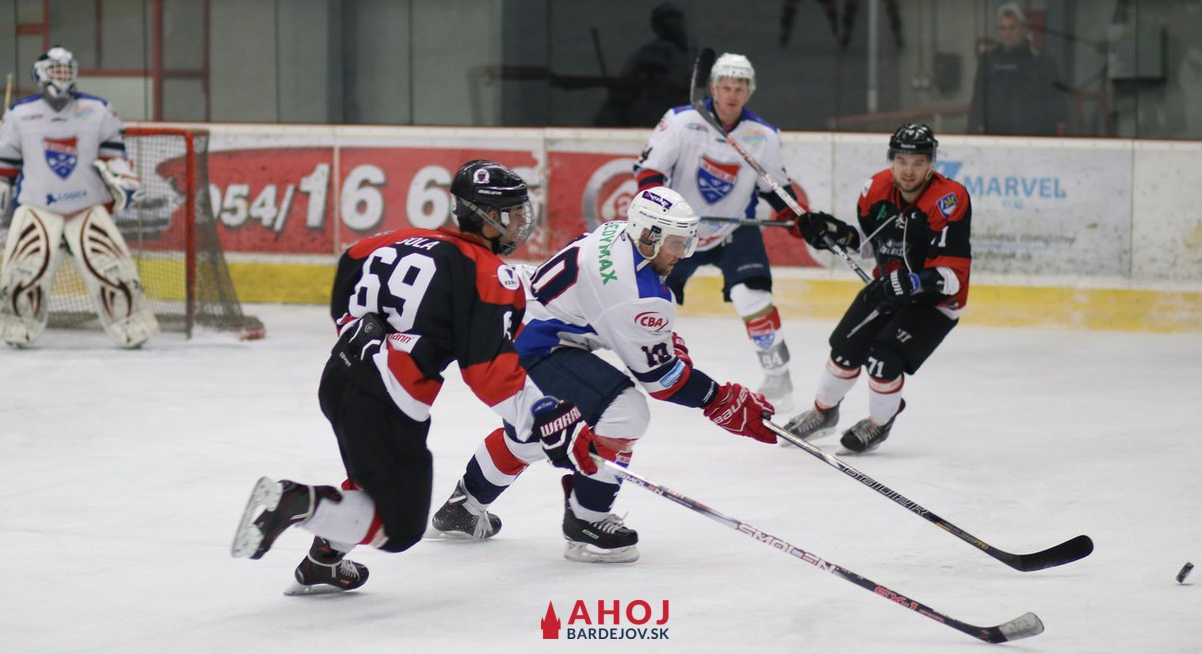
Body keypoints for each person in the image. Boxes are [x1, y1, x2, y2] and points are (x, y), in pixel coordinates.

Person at [231, 160, 596, 594]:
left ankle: (322, 562)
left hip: (339, 376)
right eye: (514, 213)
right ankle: (298, 501)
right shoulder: (489, 274)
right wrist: (543, 412)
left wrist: (363, 333)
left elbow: (350, 265)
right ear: (489, 217)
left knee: (373, 479)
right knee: (399, 528)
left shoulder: (391, 240)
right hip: (388, 399)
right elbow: (488, 372)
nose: (522, 222)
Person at [432, 187, 779, 564]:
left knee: (535, 434)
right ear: (648, 236)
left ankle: (462, 509)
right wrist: (719, 399)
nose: (682, 254)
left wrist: (661, 343)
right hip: (533, 345)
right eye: (675, 244)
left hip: (513, 327)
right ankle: (587, 521)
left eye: (686, 243)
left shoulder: (618, 232)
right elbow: (662, 381)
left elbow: (616, 321)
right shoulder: (636, 293)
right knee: (625, 411)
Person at [782, 123, 971, 455]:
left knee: (883, 360)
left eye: (918, 162)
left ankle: (880, 422)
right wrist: (836, 234)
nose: (908, 170)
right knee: (843, 352)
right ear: (891, 160)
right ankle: (824, 413)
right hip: (887, 288)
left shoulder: (948, 199)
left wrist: (914, 281)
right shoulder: (875, 190)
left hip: (935, 301)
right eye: (901, 161)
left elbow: (954, 275)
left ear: (931, 164)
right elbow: (869, 246)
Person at [633, 52, 799, 404]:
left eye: (739, 88)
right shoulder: (681, 121)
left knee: (752, 296)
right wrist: (657, 210)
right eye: (726, 86)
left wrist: (800, 219)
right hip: (677, 230)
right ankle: (646, 368)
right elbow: (649, 171)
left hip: (734, 229)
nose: (732, 94)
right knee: (651, 299)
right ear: (712, 88)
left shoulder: (763, 135)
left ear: (749, 91)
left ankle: (778, 375)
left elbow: (775, 188)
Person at [0, 46, 153, 347]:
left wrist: (123, 177)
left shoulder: (98, 109)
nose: (63, 76)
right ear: (40, 74)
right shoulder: (20, 114)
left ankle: (132, 325)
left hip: (87, 205)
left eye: (67, 69)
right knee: (25, 270)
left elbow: (114, 154)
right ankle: (18, 326)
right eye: (55, 69)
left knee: (111, 268)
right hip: (38, 205)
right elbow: (4, 162)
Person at [966, 3, 1066, 136]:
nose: (1007, 33)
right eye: (1002, 28)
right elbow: (978, 102)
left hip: (1031, 138)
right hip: (995, 137)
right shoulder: (988, 61)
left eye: (1012, 28)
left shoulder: (1042, 62)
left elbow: (1056, 102)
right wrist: (972, 134)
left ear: (1025, 30)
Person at [593, 2, 693, 127]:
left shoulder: (689, 55)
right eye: (668, 18)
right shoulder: (654, 52)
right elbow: (625, 90)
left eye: (676, 18)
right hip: (652, 121)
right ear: (657, 25)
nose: (673, 23)